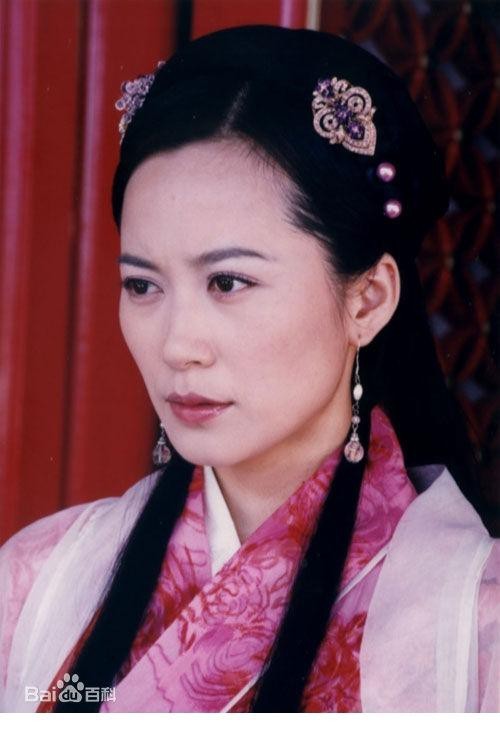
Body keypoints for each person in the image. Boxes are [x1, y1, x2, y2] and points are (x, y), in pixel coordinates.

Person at [0, 25, 498, 713]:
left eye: (228, 282)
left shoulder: (474, 625)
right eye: (142, 285)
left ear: (368, 299)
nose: (178, 344)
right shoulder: (35, 582)